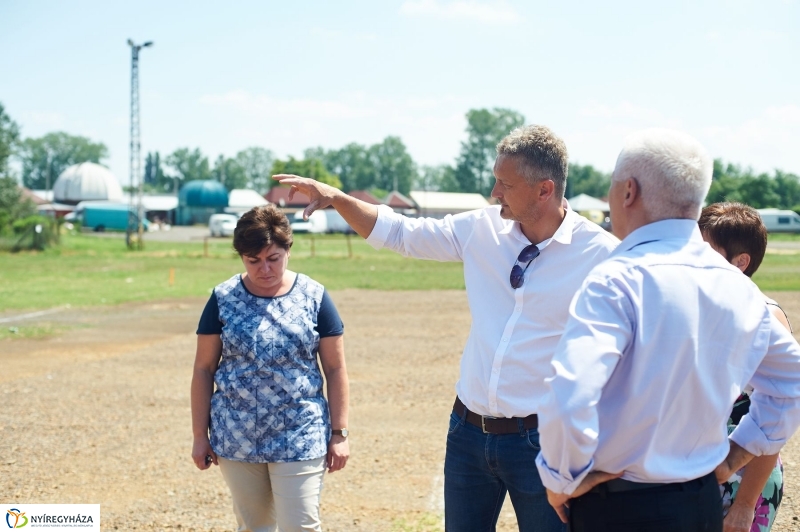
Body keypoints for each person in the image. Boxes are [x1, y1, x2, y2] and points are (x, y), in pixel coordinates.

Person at [273, 125, 619, 532]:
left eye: (505, 184)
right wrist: (336, 198)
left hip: (543, 444)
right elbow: (401, 232)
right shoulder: (481, 229)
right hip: (468, 435)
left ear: (545, 190)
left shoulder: (601, 256)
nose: (495, 192)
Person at [534, 128, 800, 532]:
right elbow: (790, 379)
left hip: (619, 508)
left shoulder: (615, 279)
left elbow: (569, 393)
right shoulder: (737, 287)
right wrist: (737, 454)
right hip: (700, 503)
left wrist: (559, 479)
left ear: (629, 192)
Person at [190, 205, 349, 532]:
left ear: (288, 249)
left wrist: (339, 433)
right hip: (237, 437)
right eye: (253, 261)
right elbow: (203, 369)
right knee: (255, 527)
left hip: (301, 432)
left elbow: (335, 369)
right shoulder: (222, 298)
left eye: (272, 258)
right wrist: (198, 436)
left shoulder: (314, 297)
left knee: (301, 526)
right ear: (241, 257)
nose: (264, 269)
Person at [699, 202, 791, 532]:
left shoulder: (765, 317)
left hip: (743, 484)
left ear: (741, 262)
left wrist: (745, 505)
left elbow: (774, 418)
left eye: (705, 251)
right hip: (696, 477)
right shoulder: (704, 309)